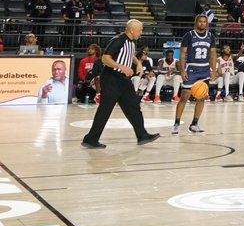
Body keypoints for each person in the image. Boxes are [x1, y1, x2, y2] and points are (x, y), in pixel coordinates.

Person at [81, 20, 160, 149]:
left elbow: (130, 54)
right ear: (132, 30)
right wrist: (121, 67)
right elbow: (105, 58)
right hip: (111, 77)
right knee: (105, 109)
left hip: (123, 80)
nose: (141, 32)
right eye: (140, 30)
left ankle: (142, 135)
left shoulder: (132, 41)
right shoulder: (118, 40)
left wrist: (138, 63)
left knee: (133, 107)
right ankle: (90, 139)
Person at [174, 14, 216, 135]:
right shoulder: (189, 35)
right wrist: (182, 70)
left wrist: (213, 70)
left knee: (201, 97)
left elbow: (213, 54)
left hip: (204, 70)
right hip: (191, 68)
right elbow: (182, 54)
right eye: (200, 21)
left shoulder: (211, 36)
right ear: (196, 22)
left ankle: (194, 124)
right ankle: (176, 123)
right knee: (184, 97)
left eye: (204, 22)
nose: (202, 23)